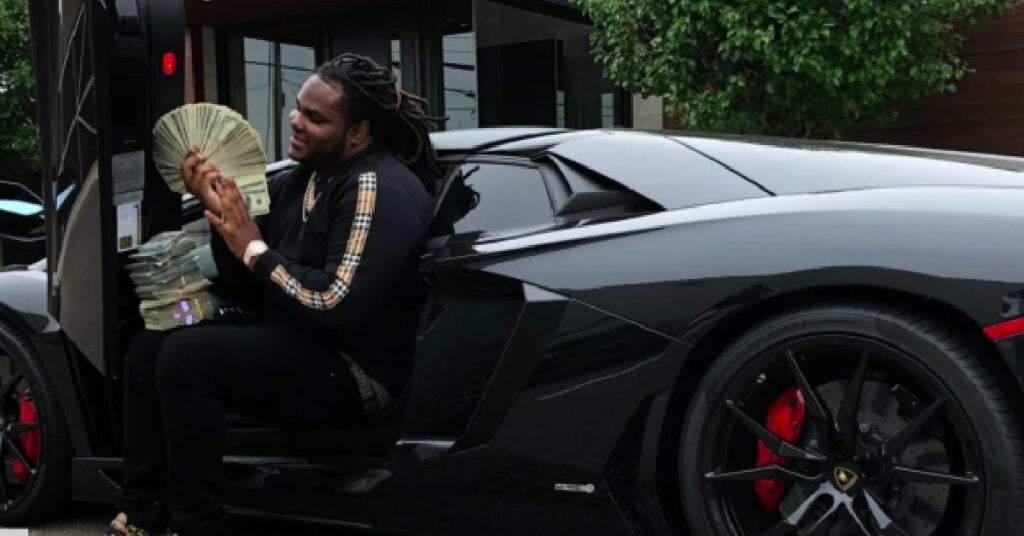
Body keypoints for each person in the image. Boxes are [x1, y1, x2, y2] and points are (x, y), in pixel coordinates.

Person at [107, 53, 440, 536]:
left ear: (359, 134)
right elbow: (252, 281)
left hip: (355, 371)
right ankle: (140, 510)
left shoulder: (374, 186)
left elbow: (335, 304)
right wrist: (222, 219)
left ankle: (197, 524)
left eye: (315, 117)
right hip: (302, 342)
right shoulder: (305, 178)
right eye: (298, 108)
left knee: (185, 357)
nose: (296, 121)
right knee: (147, 349)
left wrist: (254, 247)